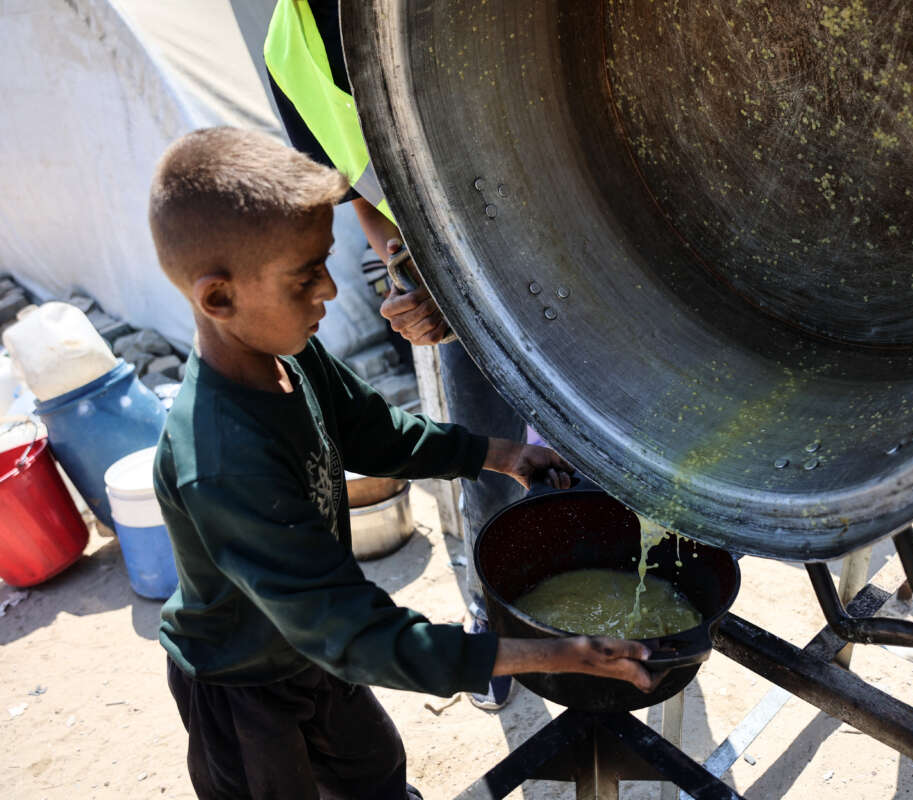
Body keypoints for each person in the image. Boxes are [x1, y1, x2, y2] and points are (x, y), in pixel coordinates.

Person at [148, 127, 652, 800]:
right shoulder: (222, 461)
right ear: (218, 298)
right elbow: (357, 633)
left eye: (326, 262)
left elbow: (375, 433)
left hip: (316, 645)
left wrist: (497, 454)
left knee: (374, 771)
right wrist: (555, 651)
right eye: (305, 277)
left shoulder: (289, 356)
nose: (329, 289)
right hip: (243, 678)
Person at [263, 0, 528, 708]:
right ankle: (496, 617)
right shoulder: (290, 53)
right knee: (491, 454)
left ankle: (614, 584)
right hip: (457, 291)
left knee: (601, 444)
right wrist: (410, 272)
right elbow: (359, 193)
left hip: (554, 250)